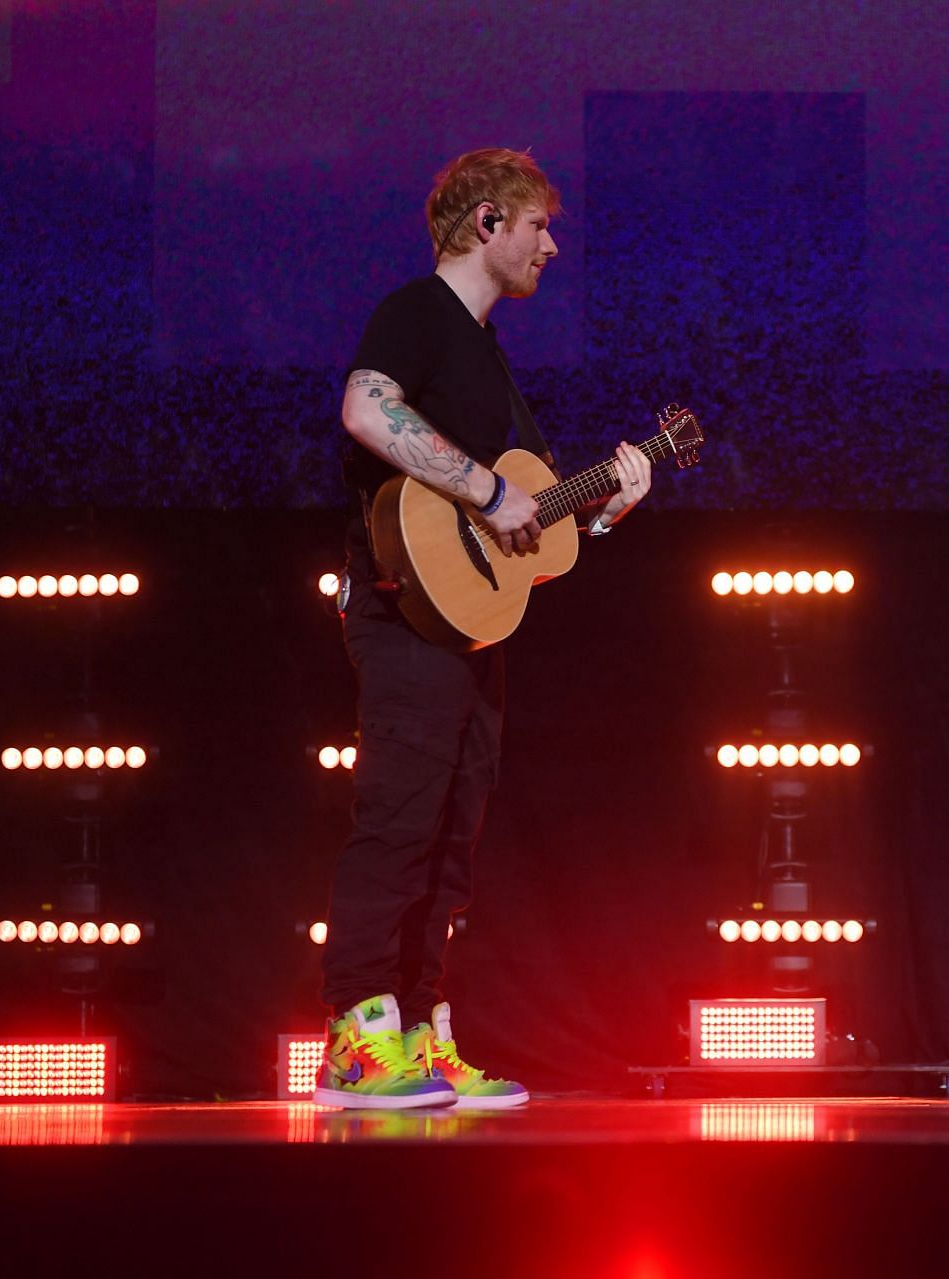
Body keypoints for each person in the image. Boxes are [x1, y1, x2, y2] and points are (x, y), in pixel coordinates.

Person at [315, 147, 653, 1109]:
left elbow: (532, 519)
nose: (554, 242)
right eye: (539, 223)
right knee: (398, 819)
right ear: (487, 225)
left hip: (469, 629)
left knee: (452, 834)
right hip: (400, 608)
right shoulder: (419, 313)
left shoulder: (490, 358)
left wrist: (603, 507)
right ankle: (353, 1042)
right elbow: (365, 408)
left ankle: (418, 1034)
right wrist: (484, 484)